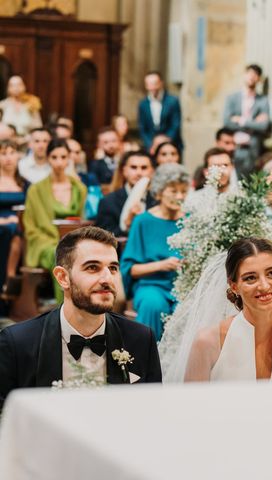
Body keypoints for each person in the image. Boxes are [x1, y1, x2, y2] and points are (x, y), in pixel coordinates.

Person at [0, 226, 162, 411]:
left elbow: (152, 414)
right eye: (92, 267)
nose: (107, 278)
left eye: (113, 268)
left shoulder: (141, 339)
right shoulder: (17, 344)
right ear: (62, 278)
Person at [159, 237, 272, 381]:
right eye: (251, 278)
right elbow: (192, 410)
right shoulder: (208, 342)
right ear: (234, 286)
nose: (264, 286)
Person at [121, 163, 189, 341]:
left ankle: (180, 366)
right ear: (159, 192)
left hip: (184, 287)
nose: (179, 196)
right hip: (151, 285)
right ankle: (146, 361)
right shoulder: (142, 221)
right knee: (153, 305)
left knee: (186, 309)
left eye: (183, 191)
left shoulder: (191, 221)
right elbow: (130, 269)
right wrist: (162, 265)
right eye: (173, 191)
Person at [23, 139, 87, 302]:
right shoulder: (36, 189)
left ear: (69, 159)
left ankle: (85, 302)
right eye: (54, 157)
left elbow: (83, 219)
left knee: (84, 254)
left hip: (74, 239)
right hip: (44, 242)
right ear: (48, 159)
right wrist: (56, 242)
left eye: (63, 157)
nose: (59, 162)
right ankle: (65, 306)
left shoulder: (79, 188)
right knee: (59, 254)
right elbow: (30, 225)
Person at [223, 64, 272, 179]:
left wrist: (242, 120)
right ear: (244, 75)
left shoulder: (263, 101)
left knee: (249, 181)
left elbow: (264, 126)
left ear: (259, 79)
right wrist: (254, 122)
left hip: (253, 148)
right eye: (250, 73)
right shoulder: (232, 98)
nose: (252, 77)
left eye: (255, 75)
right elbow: (227, 122)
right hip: (233, 146)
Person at [95, 151, 156, 237]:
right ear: (124, 171)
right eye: (133, 167)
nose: (139, 173)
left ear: (152, 172)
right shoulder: (108, 202)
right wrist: (126, 225)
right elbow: (102, 237)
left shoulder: (158, 201)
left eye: (144, 168)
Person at [0, 140, 29, 292]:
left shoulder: (24, 183)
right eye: (3, 154)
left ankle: (10, 281)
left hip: (19, 225)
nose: (8, 158)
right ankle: (8, 279)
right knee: (10, 229)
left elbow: (30, 209)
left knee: (16, 230)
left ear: (18, 156)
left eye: (12, 153)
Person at [137, 71, 182, 152]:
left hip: (171, 145)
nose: (152, 87)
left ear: (161, 83)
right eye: (149, 84)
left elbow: (175, 124)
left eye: (155, 83)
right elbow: (142, 128)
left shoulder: (172, 101)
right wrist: (151, 144)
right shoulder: (143, 104)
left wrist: (166, 140)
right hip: (151, 148)